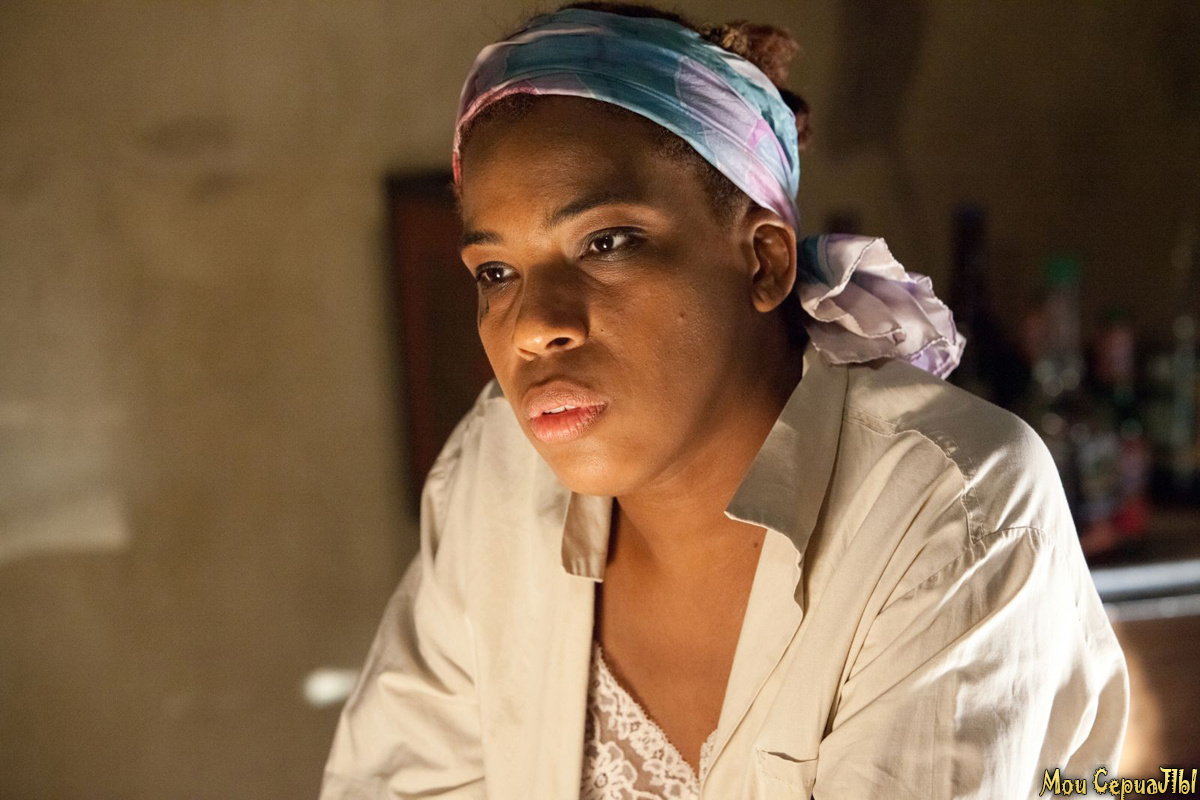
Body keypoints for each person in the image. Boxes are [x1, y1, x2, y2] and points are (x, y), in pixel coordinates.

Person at [320, 3, 1129, 798]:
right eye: (496, 273)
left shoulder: (948, 508)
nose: (534, 328)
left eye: (606, 243)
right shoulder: (494, 471)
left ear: (763, 261)